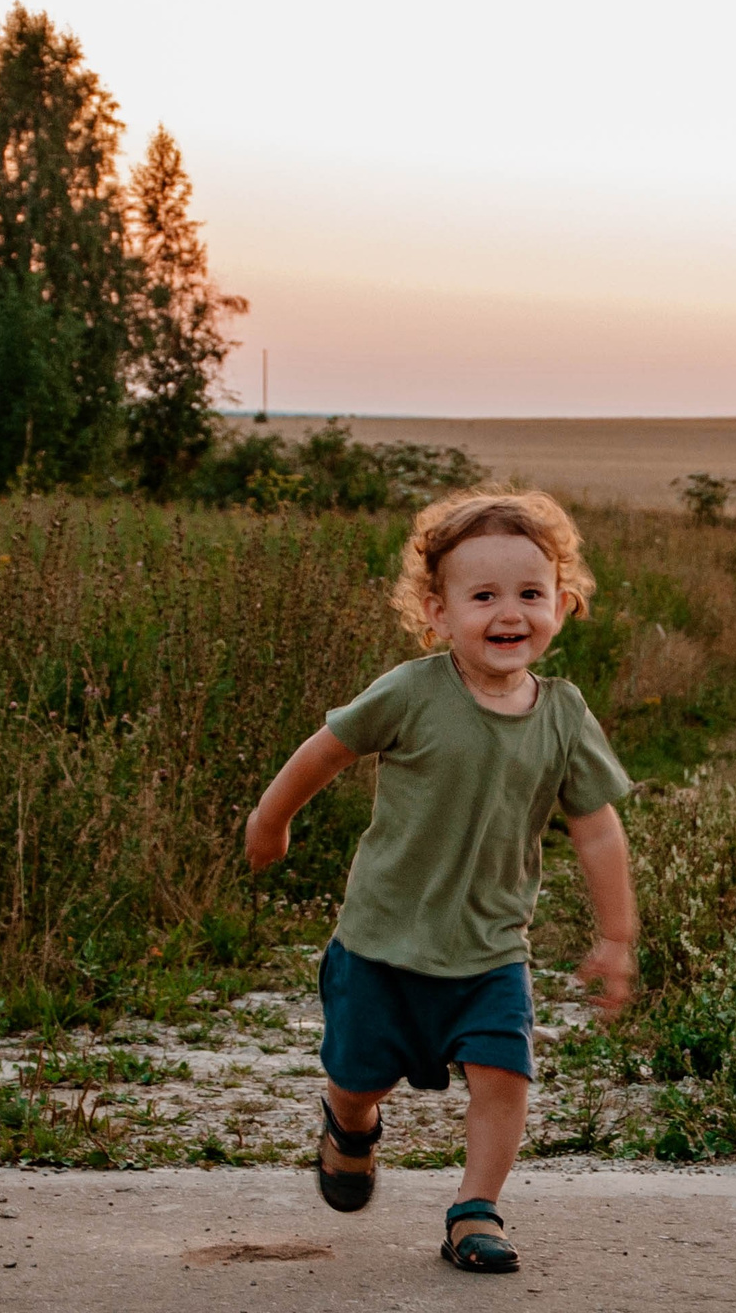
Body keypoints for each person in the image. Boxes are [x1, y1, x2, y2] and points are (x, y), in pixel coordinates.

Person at [244, 488, 637, 1273]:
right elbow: (328, 748)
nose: (508, 612)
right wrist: (270, 820)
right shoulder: (412, 690)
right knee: (361, 1075)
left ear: (561, 604)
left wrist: (616, 934)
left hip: (491, 948)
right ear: (437, 611)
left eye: (529, 594)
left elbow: (595, 826)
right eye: (483, 595)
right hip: (382, 939)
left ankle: (476, 1209)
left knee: (504, 1072)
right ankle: (349, 1126)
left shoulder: (564, 716)